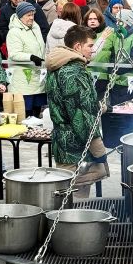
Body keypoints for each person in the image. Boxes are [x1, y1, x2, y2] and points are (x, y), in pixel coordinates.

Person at [45, 25, 109, 197]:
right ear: (77, 47)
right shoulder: (74, 72)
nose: (93, 50)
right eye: (89, 46)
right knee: (77, 203)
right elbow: (80, 116)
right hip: (77, 146)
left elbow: (73, 103)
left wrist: (95, 106)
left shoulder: (59, 66)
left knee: (67, 196)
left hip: (64, 142)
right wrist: (98, 149)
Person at [93, 9, 133, 104]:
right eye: (116, 21)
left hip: (131, 80)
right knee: (116, 108)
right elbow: (113, 54)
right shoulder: (117, 36)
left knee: (131, 110)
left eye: (120, 21)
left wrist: (118, 70)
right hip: (116, 80)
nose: (117, 23)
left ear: (127, 22)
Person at [7, 2, 48, 117]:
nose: (31, 17)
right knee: (26, 112)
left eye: (32, 14)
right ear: (20, 16)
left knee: (37, 111)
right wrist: (31, 57)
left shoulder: (36, 27)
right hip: (24, 79)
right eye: (28, 15)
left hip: (38, 76)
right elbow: (14, 54)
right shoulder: (14, 32)